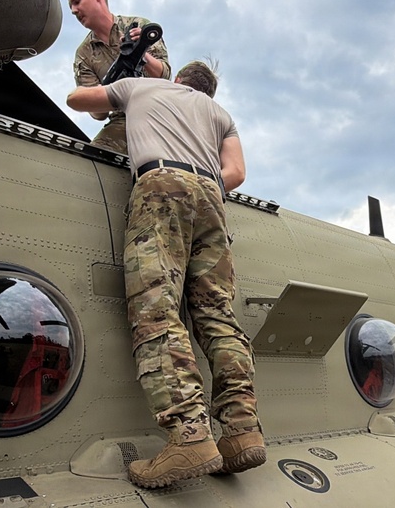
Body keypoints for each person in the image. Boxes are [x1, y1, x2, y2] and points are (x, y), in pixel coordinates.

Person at [66, 61, 264, 488]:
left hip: (159, 183)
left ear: (177, 80)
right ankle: (241, 432)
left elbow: (77, 100)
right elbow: (236, 174)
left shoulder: (143, 86)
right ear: (208, 92)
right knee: (218, 315)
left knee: (156, 307)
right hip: (212, 196)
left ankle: (189, 436)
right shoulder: (221, 116)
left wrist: (117, 85)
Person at [65, 0, 171, 154]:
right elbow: (98, 114)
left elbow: (164, 75)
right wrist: (105, 92)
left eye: (77, 1)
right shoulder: (84, 54)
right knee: (93, 158)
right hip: (123, 118)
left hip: (160, 110)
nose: (74, 11)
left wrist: (141, 51)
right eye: (71, 6)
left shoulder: (138, 26)